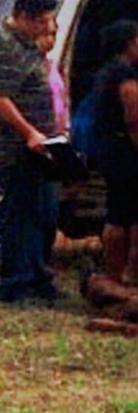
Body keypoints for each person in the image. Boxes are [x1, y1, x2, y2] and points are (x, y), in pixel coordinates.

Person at [0, 0, 62, 306]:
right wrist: (29, 132)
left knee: (44, 213)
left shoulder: (29, 44)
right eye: (42, 21)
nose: (48, 27)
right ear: (24, 18)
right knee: (19, 217)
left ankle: (39, 278)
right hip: (15, 148)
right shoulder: (3, 45)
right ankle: (15, 284)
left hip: (42, 147)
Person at [91, 20, 138, 290]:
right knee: (122, 214)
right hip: (125, 150)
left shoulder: (105, 73)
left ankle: (117, 275)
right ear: (129, 43)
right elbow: (134, 120)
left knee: (121, 210)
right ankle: (120, 275)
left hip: (109, 148)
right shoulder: (124, 76)